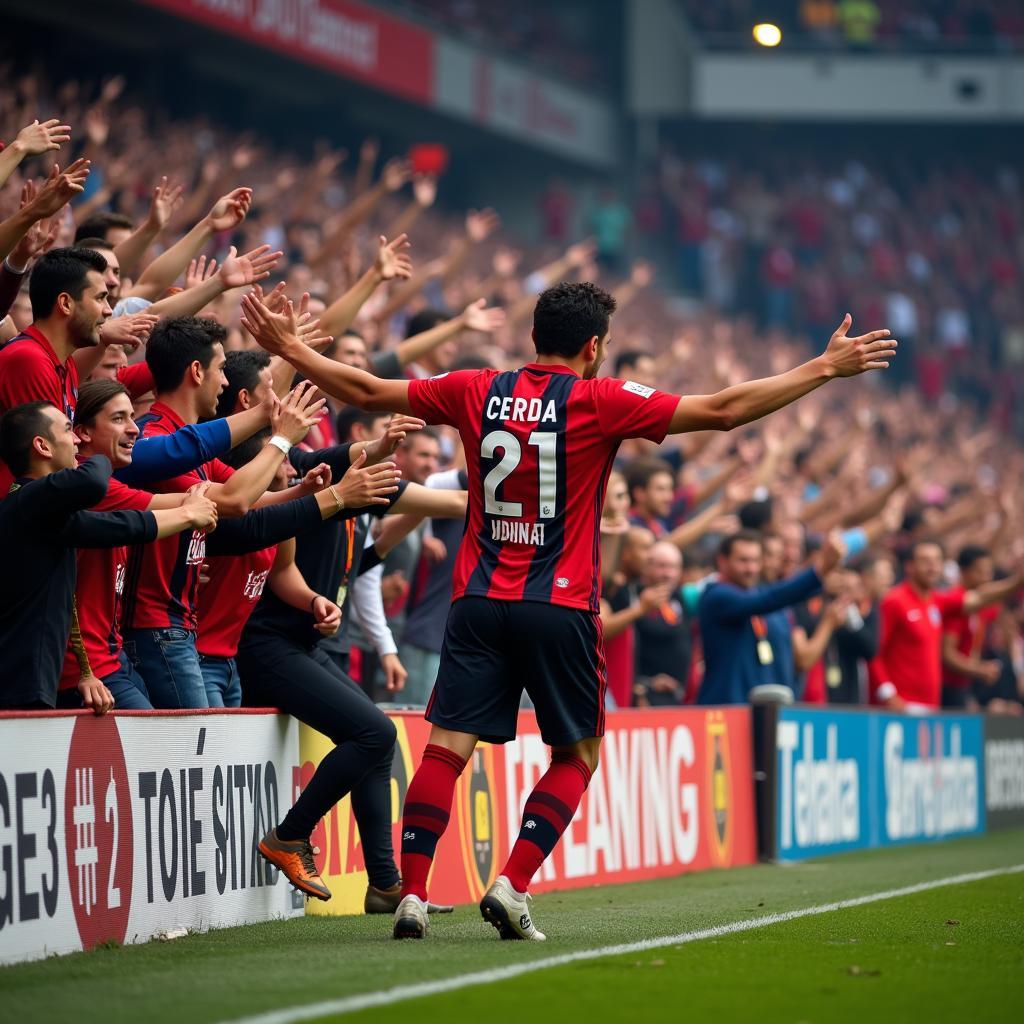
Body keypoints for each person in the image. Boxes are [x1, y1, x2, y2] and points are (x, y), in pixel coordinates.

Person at [241, 278, 896, 941]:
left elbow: (365, 392)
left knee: (445, 751)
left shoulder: (475, 388)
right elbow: (723, 410)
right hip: (560, 604)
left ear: (533, 337)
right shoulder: (599, 400)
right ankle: (511, 885)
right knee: (576, 753)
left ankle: (412, 894)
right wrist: (822, 367)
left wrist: (292, 346)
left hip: (477, 602)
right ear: (594, 347)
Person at [0, 402, 159, 709]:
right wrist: (99, 456)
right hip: (20, 684)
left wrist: (190, 513)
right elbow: (99, 492)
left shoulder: (41, 509)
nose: (75, 440)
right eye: (69, 430)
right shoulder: (29, 500)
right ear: (42, 445)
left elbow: (124, 524)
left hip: (45, 678)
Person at [871, 540, 1024, 712]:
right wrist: (888, 694)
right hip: (901, 705)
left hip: (930, 704)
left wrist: (1017, 582)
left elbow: (979, 597)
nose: (932, 567)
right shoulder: (895, 601)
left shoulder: (937, 601)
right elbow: (874, 652)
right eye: (925, 561)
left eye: (937, 561)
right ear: (910, 566)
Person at [698, 530, 846, 705]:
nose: (751, 568)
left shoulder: (760, 595)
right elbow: (769, 599)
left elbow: (776, 595)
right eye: (743, 561)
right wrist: (819, 571)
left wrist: (823, 579)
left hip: (767, 711)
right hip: (726, 711)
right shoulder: (717, 595)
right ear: (722, 561)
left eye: (755, 561)